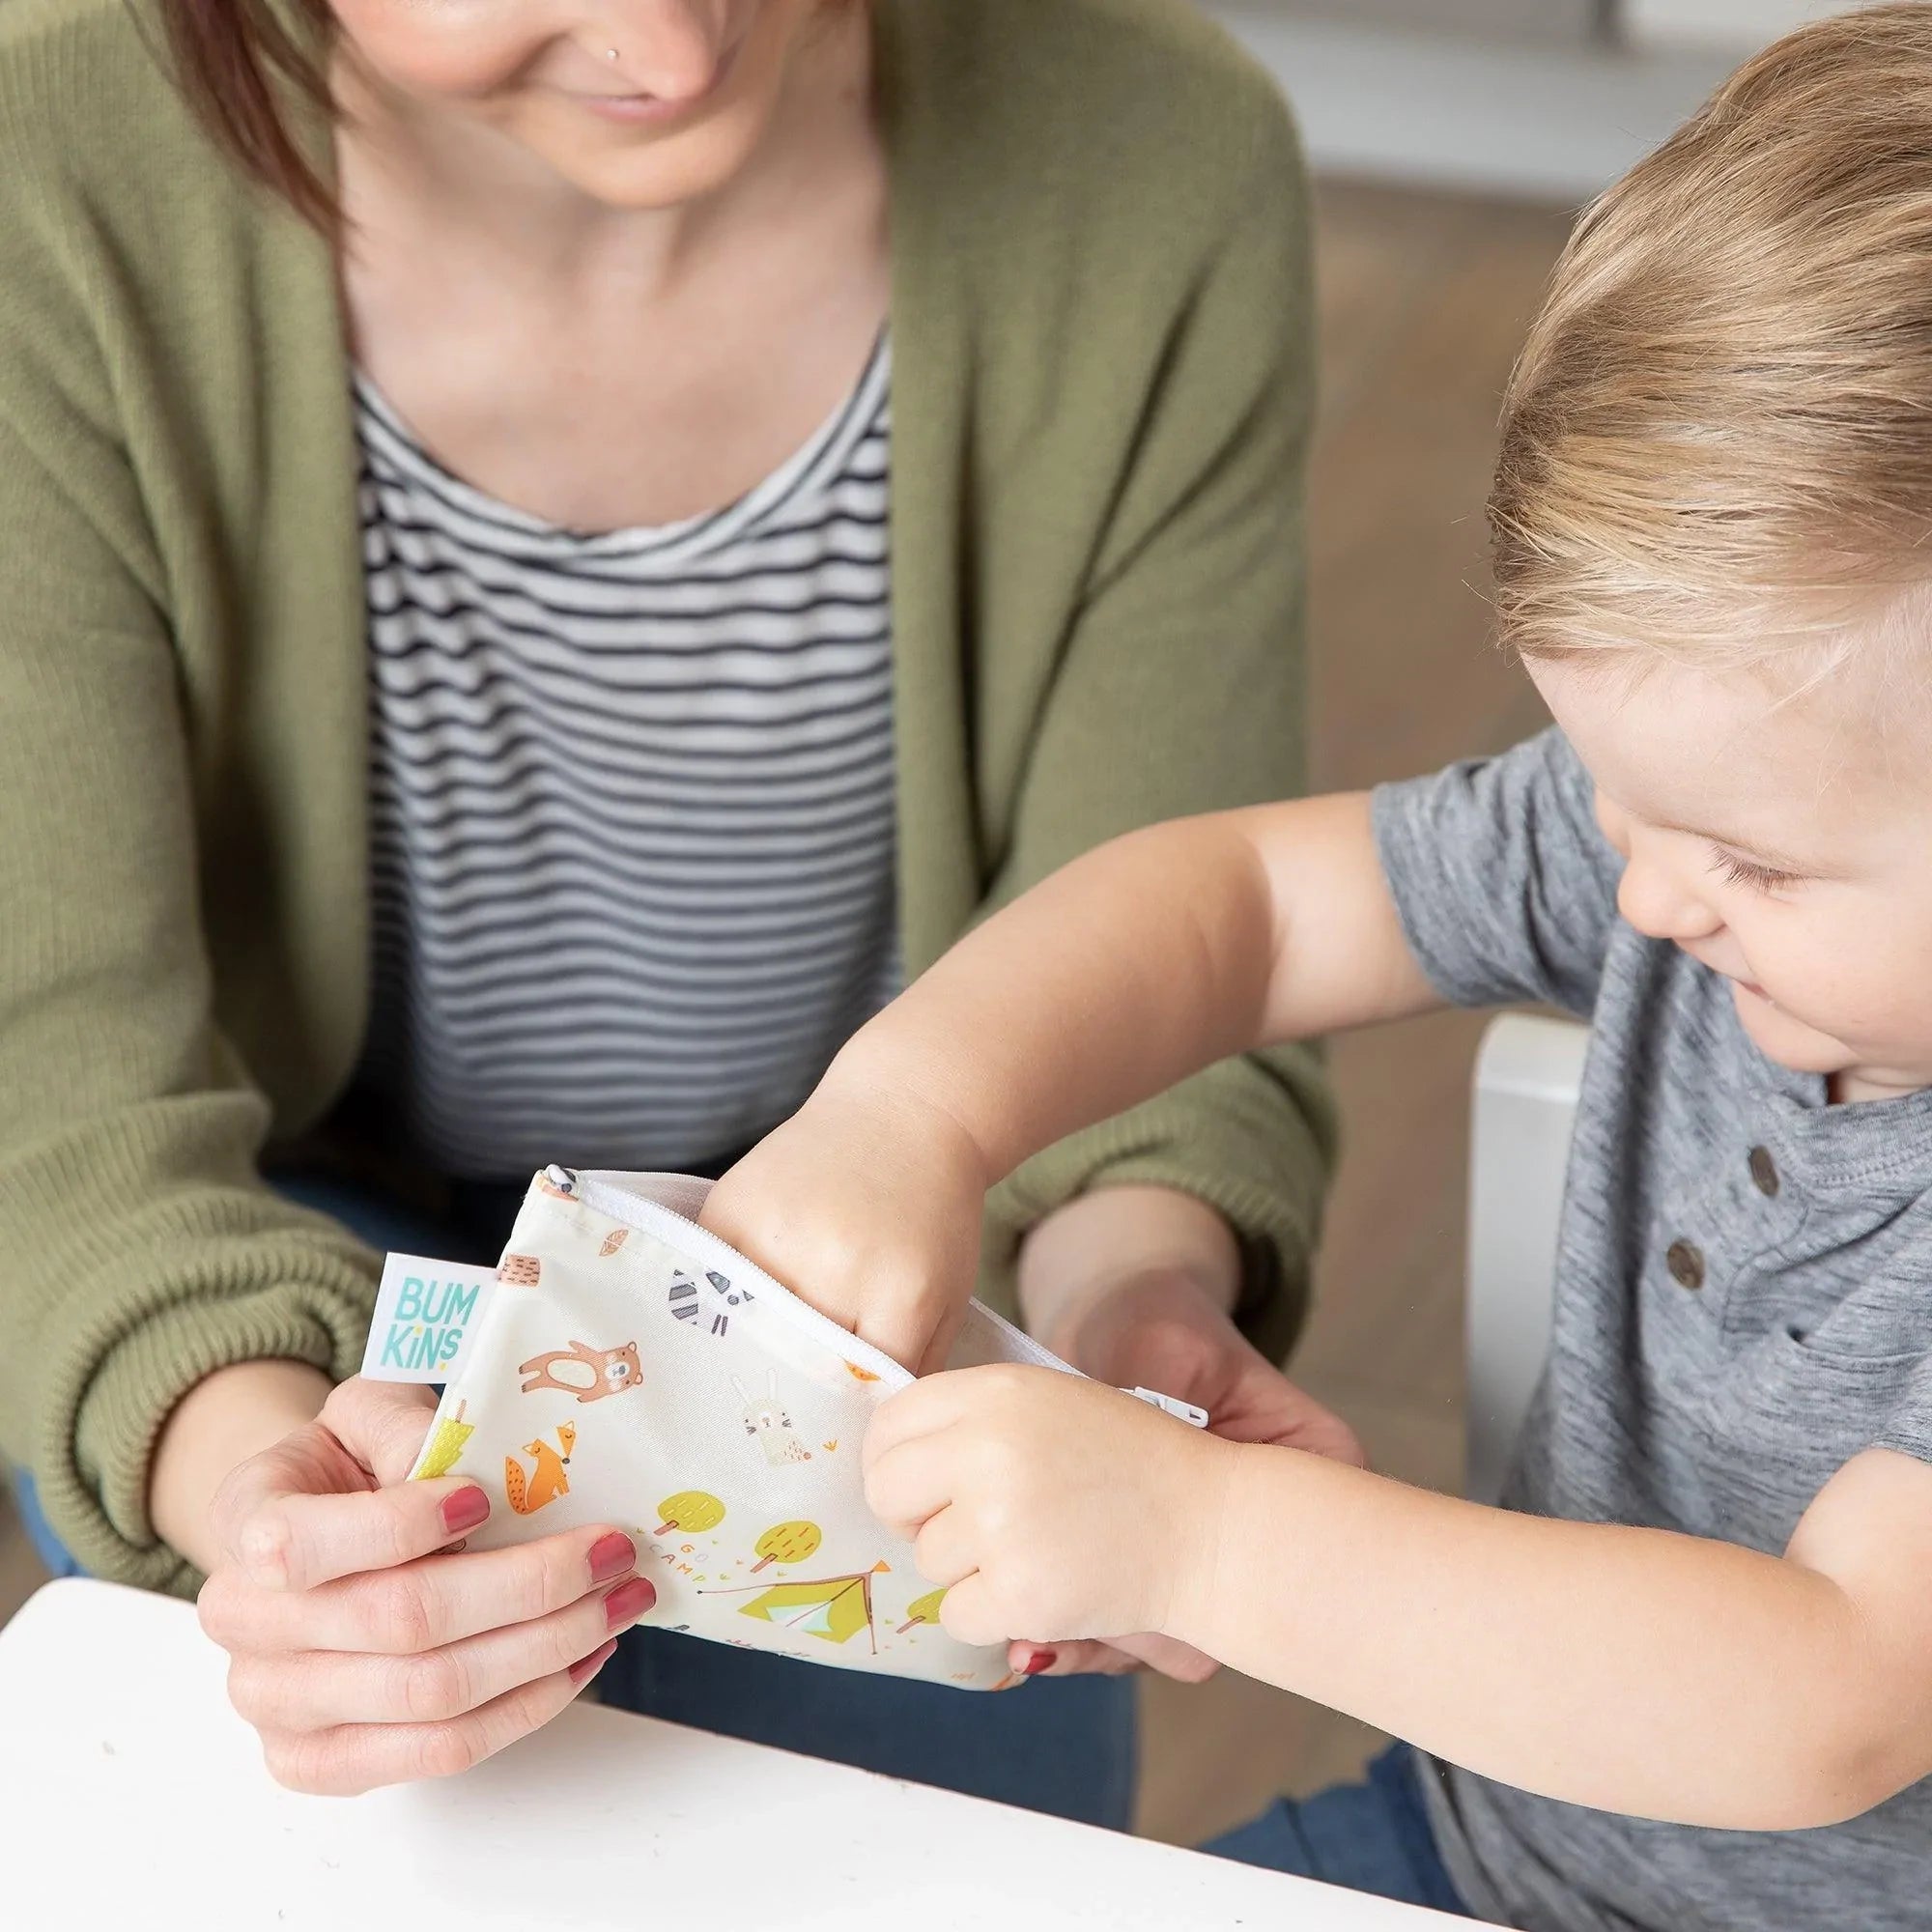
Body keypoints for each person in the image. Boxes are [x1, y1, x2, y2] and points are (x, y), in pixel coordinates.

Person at [0, 0, 1349, 1817]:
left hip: (897, 1261)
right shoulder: (44, 168)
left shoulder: (1156, 158)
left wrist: (1127, 1293)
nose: (677, 45)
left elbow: (1173, 943)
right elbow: (59, 1108)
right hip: (268, 1229)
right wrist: (266, 1489)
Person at [698, 9, 1932, 1924]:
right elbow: (1251, 905)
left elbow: (1831, 1694)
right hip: (1488, 1846)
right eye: (1616, 801)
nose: (1647, 897)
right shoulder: (1694, 837)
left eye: (1751, 861)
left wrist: (1198, 1538)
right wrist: (913, 1110)